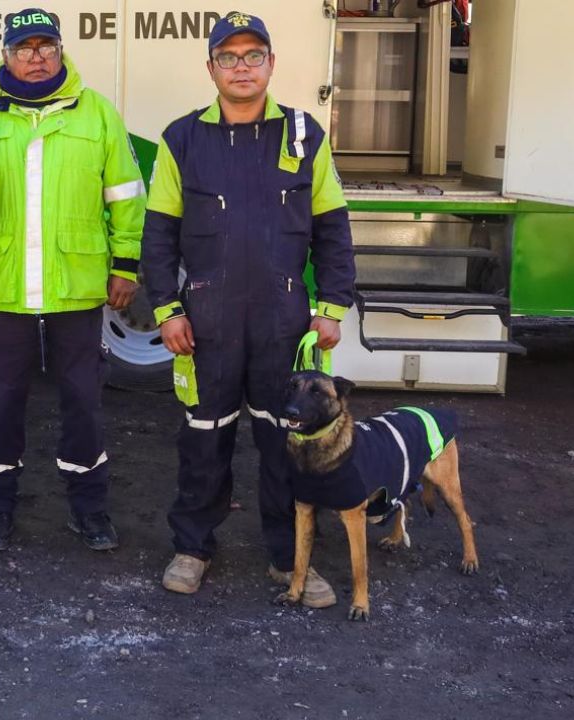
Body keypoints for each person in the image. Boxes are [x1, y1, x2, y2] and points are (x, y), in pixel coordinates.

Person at [140, 12, 356, 603]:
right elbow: (158, 236)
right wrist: (167, 312)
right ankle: (192, 547)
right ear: (210, 67)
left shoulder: (304, 134)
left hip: (282, 320)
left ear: (271, 64)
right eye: (229, 57)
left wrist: (332, 306)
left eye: (252, 55)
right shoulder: (181, 138)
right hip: (204, 321)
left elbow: (333, 230)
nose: (241, 67)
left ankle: (291, 559)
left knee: (286, 442)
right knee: (203, 437)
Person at [0, 8, 145, 552]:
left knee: (83, 398)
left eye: (46, 46)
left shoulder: (99, 115)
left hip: (78, 282)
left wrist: (125, 264)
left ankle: (89, 509)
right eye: (24, 48)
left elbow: (127, 195)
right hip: (5, 282)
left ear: (62, 50)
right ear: (5, 56)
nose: (36, 58)